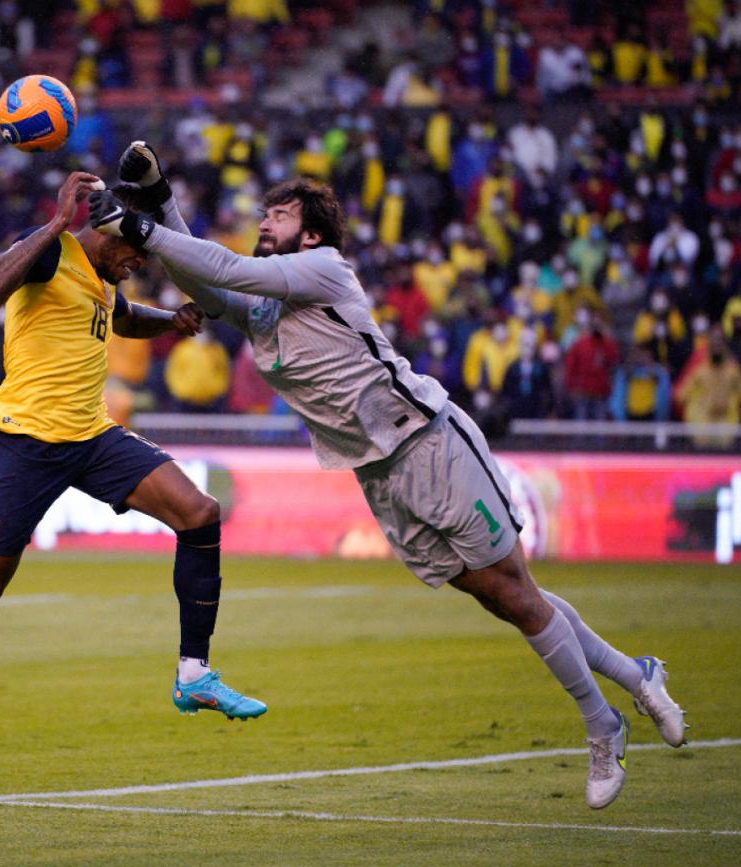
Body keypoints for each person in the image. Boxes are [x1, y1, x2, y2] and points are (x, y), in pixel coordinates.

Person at [88, 144, 687, 810]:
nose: (264, 223)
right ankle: (638, 674)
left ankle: (601, 724)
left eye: (278, 214)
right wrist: (161, 197)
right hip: (376, 472)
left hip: (426, 441)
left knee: (518, 594)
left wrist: (136, 224)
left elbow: (223, 266)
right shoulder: (263, 305)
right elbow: (208, 284)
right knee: (503, 595)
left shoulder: (319, 268)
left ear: (309, 233)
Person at [0, 172, 265, 772]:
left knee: (200, 513)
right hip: (26, 443)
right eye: (135, 254)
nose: (136, 265)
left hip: (92, 437)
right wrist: (56, 222)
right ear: (107, 237)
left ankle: (193, 673)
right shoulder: (52, 253)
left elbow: (123, 317)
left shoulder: (99, 281)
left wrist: (170, 320)